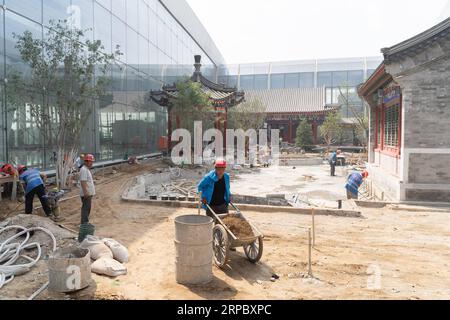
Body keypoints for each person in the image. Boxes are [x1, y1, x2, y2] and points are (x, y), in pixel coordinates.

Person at [79, 154, 96, 225]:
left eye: (92, 162)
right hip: (86, 194)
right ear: (86, 162)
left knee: (87, 208)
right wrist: (86, 192)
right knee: (86, 208)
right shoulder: (83, 170)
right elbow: (83, 181)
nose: (92, 163)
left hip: (88, 193)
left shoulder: (86, 169)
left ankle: (85, 222)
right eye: (90, 162)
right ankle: (84, 223)